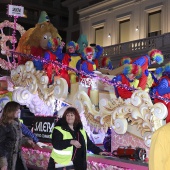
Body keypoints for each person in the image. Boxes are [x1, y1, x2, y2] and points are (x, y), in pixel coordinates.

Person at [0, 101, 35, 170]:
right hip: (7, 160)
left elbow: (17, 139)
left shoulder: (17, 123)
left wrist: (27, 141)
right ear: (11, 111)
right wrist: (3, 162)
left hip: (17, 158)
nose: (19, 111)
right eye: (17, 109)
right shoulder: (4, 126)